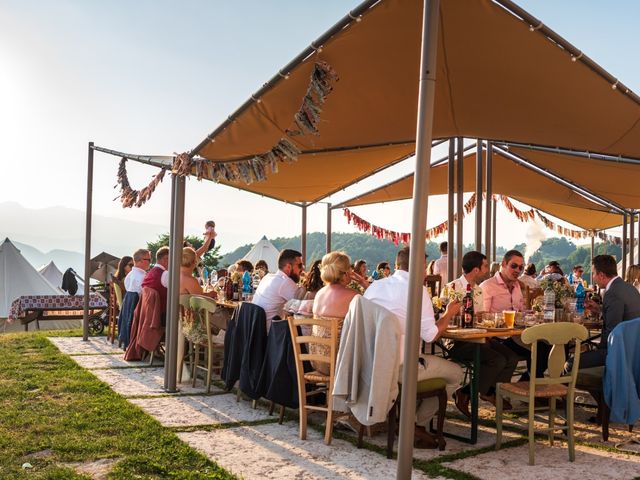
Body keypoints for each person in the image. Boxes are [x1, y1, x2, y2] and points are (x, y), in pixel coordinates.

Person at [364, 246, 463, 449]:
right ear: (420, 268)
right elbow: (431, 335)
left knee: (433, 364)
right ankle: (415, 423)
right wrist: (448, 313)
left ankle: (407, 421)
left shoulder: (374, 287)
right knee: (458, 372)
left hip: (373, 363)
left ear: (396, 264)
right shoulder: (417, 291)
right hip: (402, 367)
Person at [444, 251, 519, 415]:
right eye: (485, 265)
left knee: (511, 357)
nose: (488, 268)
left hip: (477, 337)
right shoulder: (453, 287)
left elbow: (479, 316)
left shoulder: (478, 290)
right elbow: (445, 318)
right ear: (476, 269)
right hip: (457, 341)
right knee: (497, 360)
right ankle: (466, 393)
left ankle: (489, 391)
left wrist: (486, 324)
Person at [579, 255, 640, 369]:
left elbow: (612, 332)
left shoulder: (611, 293)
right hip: (634, 350)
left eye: (593, 273)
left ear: (601, 275)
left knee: (569, 363)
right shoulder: (630, 288)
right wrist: (599, 309)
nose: (593, 277)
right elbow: (622, 316)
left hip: (618, 353)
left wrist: (597, 351)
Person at [252, 249, 303, 324]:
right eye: (300, 265)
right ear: (288, 267)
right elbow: (303, 308)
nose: (302, 269)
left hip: (254, 331)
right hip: (271, 333)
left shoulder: (267, 277)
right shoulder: (285, 282)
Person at [313, 253, 361, 318]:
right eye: (350, 267)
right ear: (346, 273)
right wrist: (365, 284)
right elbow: (370, 320)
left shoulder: (319, 293)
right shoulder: (354, 296)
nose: (352, 271)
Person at [141, 246, 169, 317]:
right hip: (162, 316)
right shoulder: (165, 274)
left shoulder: (149, 273)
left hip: (149, 315)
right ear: (166, 259)